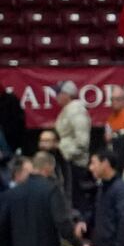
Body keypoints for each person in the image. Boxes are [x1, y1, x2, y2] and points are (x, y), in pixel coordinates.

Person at [53, 81, 91, 211]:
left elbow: (82, 141)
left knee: (76, 198)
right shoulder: (67, 110)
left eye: (59, 93)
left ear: (67, 94)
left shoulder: (76, 110)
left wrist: (66, 152)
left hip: (75, 163)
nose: (56, 96)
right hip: (67, 162)